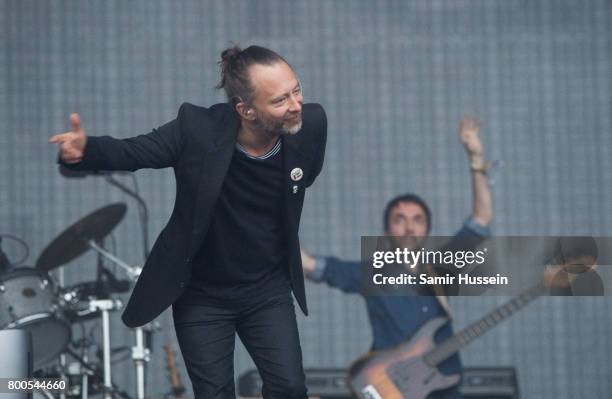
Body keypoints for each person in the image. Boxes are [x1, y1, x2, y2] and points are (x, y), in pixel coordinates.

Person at [50, 45, 327, 399]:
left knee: (289, 388)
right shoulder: (198, 129)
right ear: (245, 110)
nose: (295, 105)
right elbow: (135, 151)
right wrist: (86, 150)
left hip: (266, 288)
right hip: (203, 295)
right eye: (279, 100)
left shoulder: (310, 124)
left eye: (296, 90)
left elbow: (304, 176)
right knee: (214, 394)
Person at [301, 116, 492, 399]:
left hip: (443, 385)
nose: (409, 226)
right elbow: (310, 265)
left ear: (427, 230)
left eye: (417, 220)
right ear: (386, 229)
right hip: (390, 385)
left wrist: (476, 159)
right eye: (400, 219)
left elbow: (481, 220)